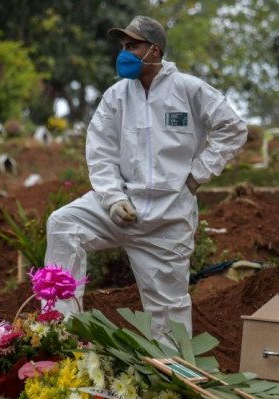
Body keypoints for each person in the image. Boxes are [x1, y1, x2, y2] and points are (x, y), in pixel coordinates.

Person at [45, 15, 248, 344]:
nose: (124, 53)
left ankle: (171, 380)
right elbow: (100, 150)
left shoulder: (189, 89)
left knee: (168, 314)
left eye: (132, 46)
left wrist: (198, 174)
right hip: (121, 207)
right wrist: (112, 198)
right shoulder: (116, 96)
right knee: (63, 224)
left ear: (154, 50)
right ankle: (58, 333)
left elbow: (234, 128)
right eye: (122, 46)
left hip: (169, 219)